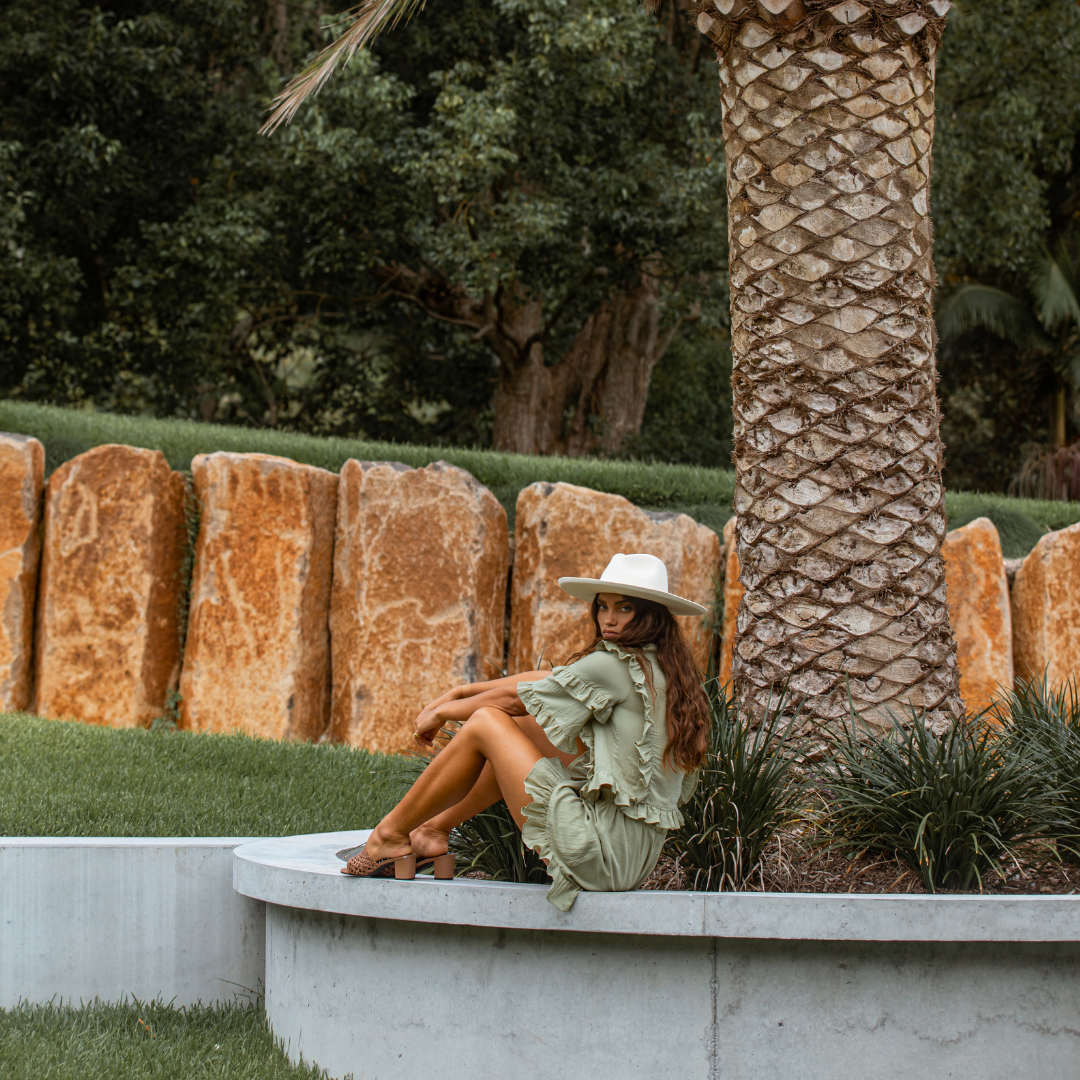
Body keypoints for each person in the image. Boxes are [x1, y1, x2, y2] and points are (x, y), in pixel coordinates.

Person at [341, 552, 711, 910]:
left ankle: (388, 836)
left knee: (488, 722)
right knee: (528, 728)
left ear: (651, 616)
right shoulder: (659, 667)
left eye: (624, 608)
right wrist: (461, 691)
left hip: (596, 853)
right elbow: (549, 681)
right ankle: (432, 832)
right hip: (629, 860)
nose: (608, 619)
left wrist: (446, 713)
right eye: (603, 606)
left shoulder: (615, 666)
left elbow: (519, 699)